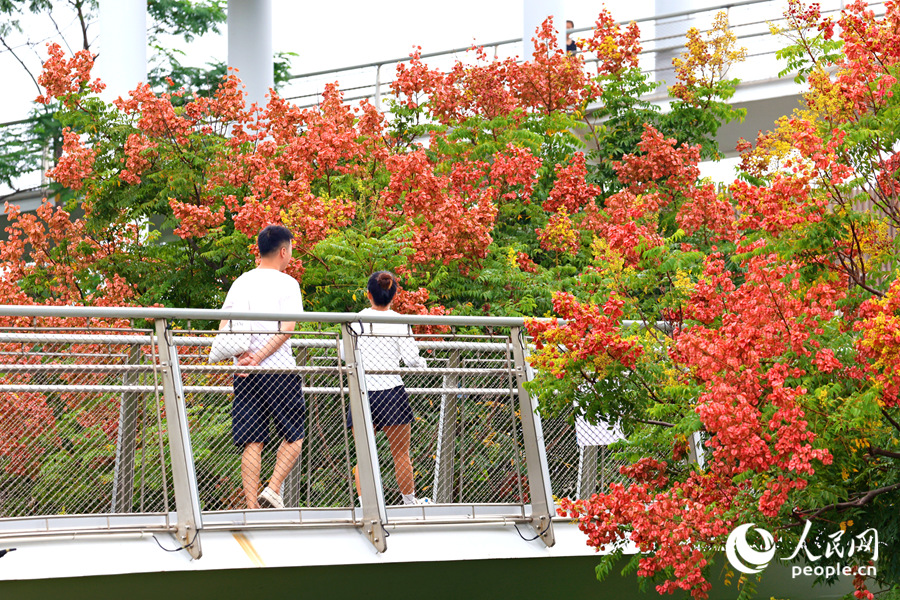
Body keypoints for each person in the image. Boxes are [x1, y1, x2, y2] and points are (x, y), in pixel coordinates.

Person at [220, 224, 305, 510]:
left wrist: (246, 355)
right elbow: (287, 328)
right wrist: (261, 356)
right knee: (294, 434)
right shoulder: (288, 283)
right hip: (280, 370)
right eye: (291, 249)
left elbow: (225, 324)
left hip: (245, 371)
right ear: (283, 252)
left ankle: (250, 506)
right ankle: (272, 488)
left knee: (252, 440)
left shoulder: (241, 282)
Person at [348, 271, 430, 505]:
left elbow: (346, 354)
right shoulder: (397, 321)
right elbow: (411, 359)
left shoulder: (357, 319)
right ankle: (409, 502)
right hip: (392, 390)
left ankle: (366, 507)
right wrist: (424, 364)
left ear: (368, 294)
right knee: (401, 454)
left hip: (363, 391)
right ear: (394, 295)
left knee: (364, 455)